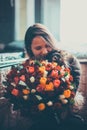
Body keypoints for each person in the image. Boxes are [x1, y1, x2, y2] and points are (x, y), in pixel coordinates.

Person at [23, 23, 86, 130]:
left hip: (65, 113)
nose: (44, 51)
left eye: (48, 46)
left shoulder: (70, 60)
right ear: (30, 49)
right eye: (38, 48)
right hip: (40, 118)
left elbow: (71, 95)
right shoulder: (27, 68)